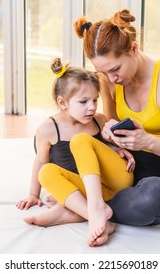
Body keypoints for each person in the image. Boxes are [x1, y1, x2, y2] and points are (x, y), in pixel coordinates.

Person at [73, 9, 160, 226]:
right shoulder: (108, 80)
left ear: (133, 49)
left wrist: (147, 141)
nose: (110, 78)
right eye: (102, 72)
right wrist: (108, 132)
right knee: (70, 142)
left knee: (152, 200)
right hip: (122, 168)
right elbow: (111, 131)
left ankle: (79, 208)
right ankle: (93, 207)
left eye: (115, 69)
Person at [16, 58, 134, 246]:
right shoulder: (48, 130)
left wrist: (117, 148)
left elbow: (106, 148)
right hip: (90, 190)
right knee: (45, 172)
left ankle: (85, 210)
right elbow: (40, 162)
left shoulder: (99, 120)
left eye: (95, 100)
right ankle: (91, 215)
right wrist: (33, 194)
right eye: (83, 101)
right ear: (63, 103)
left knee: (80, 141)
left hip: (116, 181)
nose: (92, 107)